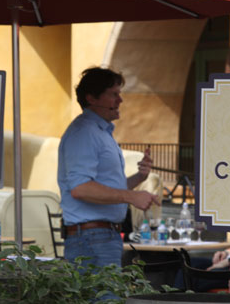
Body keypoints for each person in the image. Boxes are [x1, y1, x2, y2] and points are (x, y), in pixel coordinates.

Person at [58, 67, 160, 268]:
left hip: (99, 236)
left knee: (107, 298)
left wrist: (138, 178)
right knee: (103, 299)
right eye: (113, 95)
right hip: (92, 237)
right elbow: (81, 188)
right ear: (92, 98)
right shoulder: (85, 132)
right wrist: (132, 197)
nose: (120, 101)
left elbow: (102, 188)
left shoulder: (99, 132)